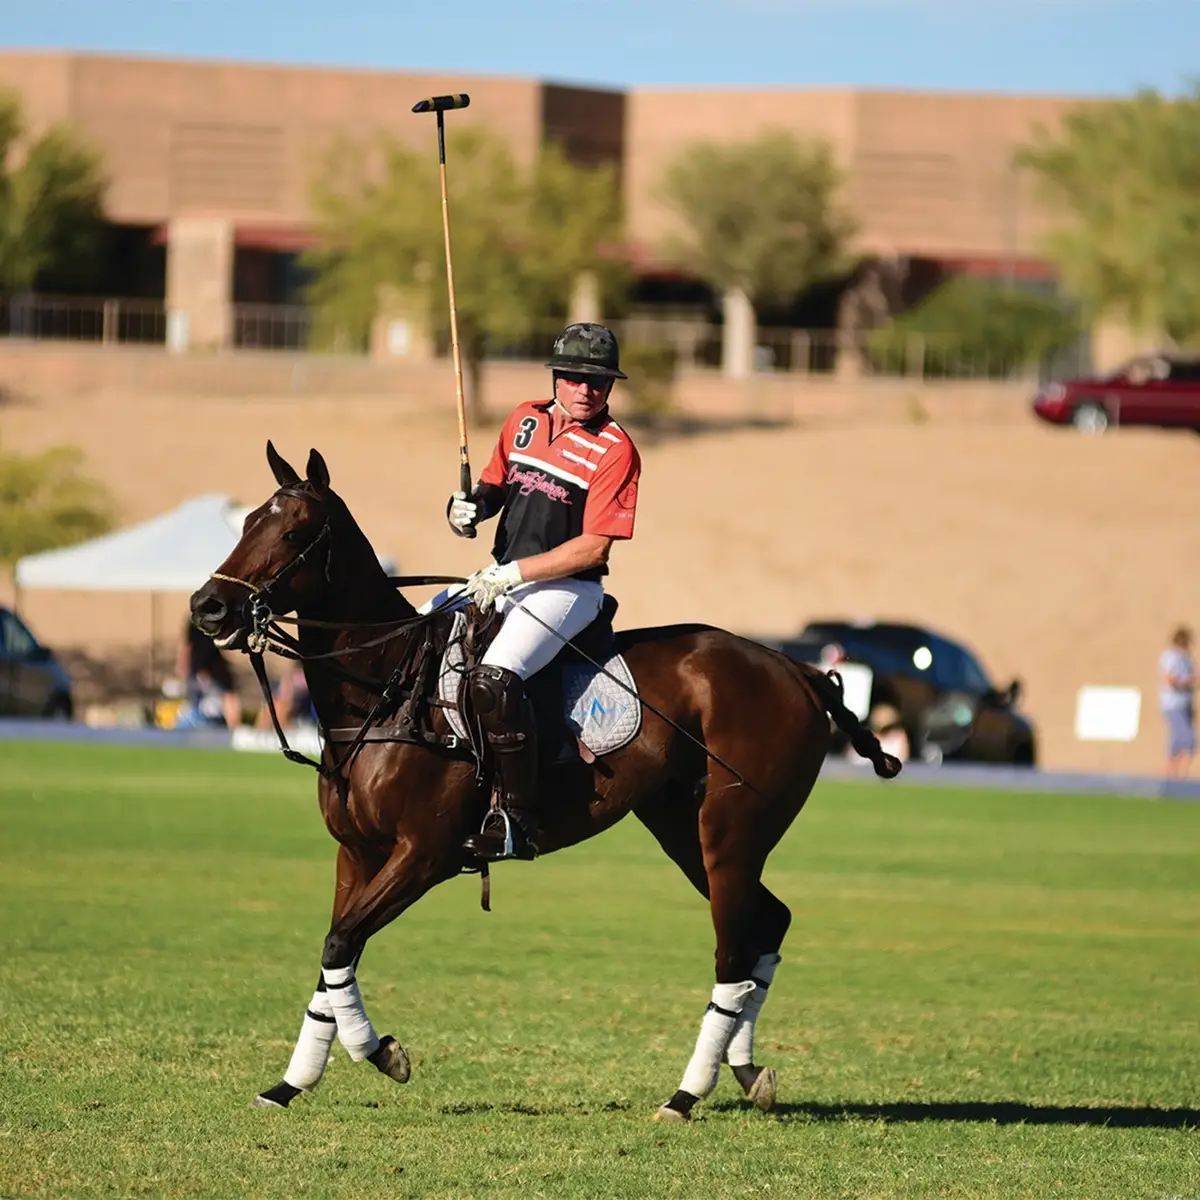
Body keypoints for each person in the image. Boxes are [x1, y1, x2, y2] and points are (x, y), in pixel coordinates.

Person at [446, 322, 641, 861]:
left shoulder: (615, 450)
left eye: (598, 381)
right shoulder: (524, 420)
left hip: (566, 590)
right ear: (557, 376)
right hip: (500, 577)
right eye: (576, 377)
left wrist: (514, 575)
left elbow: (594, 549)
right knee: (424, 638)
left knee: (494, 678)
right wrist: (466, 510)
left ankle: (513, 817)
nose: (586, 390)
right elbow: (493, 486)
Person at [175, 620, 241, 730]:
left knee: (227, 696)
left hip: (211, 665)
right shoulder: (206, 621)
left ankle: (233, 728)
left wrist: (183, 664)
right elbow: (188, 644)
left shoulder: (202, 620)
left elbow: (187, 645)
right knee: (223, 696)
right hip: (204, 665)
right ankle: (233, 728)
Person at [1158, 625, 1196, 778]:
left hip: (1184, 705)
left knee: (1182, 743)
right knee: (1185, 741)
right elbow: (1169, 679)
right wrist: (1187, 682)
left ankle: (1175, 778)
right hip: (1174, 705)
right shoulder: (1170, 657)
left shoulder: (1187, 659)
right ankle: (1174, 779)